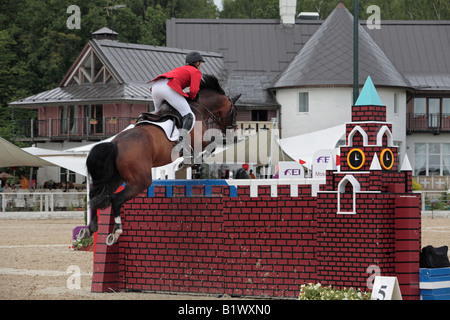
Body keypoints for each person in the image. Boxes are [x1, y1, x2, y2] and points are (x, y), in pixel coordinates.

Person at [149, 51, 205, 159]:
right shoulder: (196, 71)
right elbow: (194, 90)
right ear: (197, 63)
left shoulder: (181, 68)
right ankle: (181, 142)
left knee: (159, 116)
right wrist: (191, 98)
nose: (201, 65)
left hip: (156, 86)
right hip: (168, 87)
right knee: (188, 114)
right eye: (201, 63)